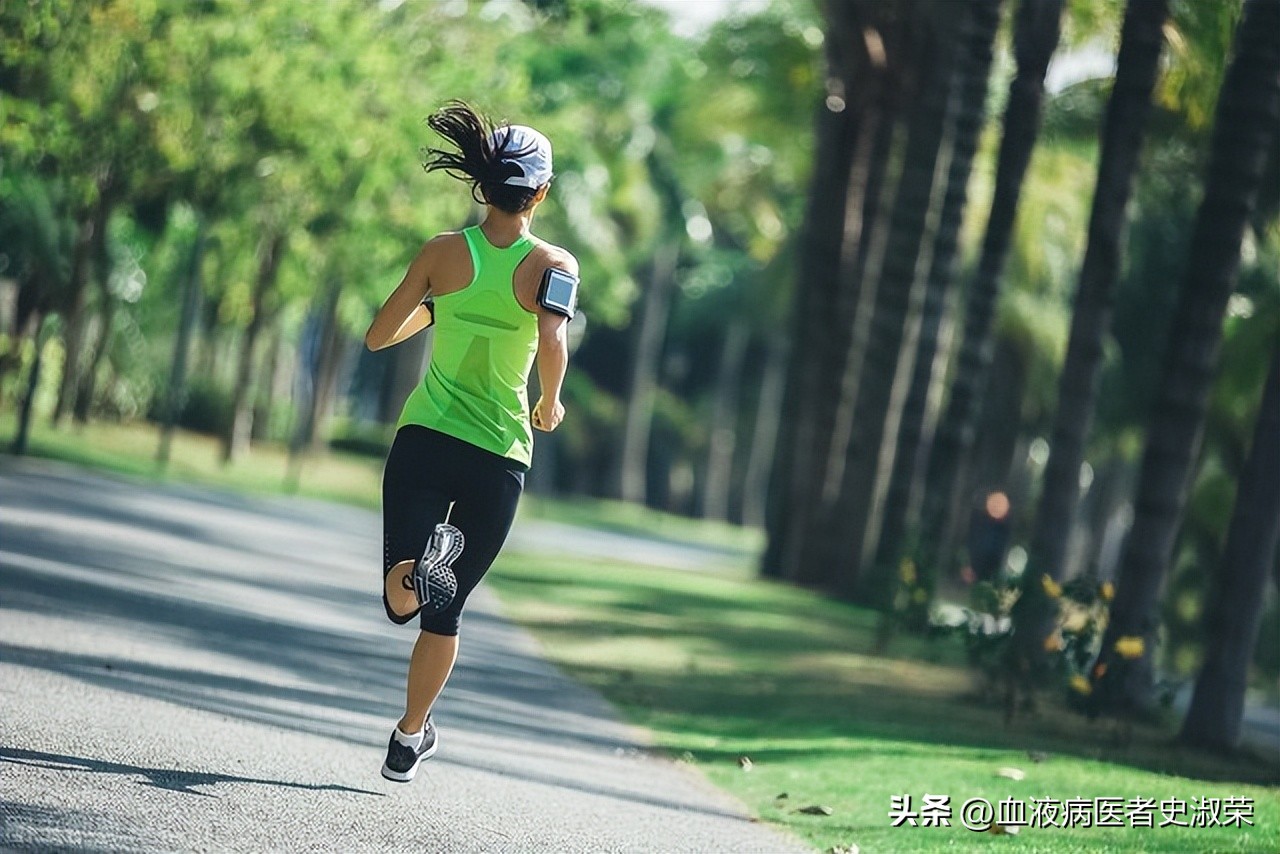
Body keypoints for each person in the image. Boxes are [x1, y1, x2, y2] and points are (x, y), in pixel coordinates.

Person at [364, 101, 576, 783]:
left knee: (404, 599)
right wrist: (549, 402)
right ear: (540, 192)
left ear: (480, 184)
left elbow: (376, 336)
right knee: (443, 612)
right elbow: (551, 337)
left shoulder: (441, 252)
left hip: (426, 438)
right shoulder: (553, 262)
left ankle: (425, 564)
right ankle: (408, 737)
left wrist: (437, 305)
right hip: (499, 454)